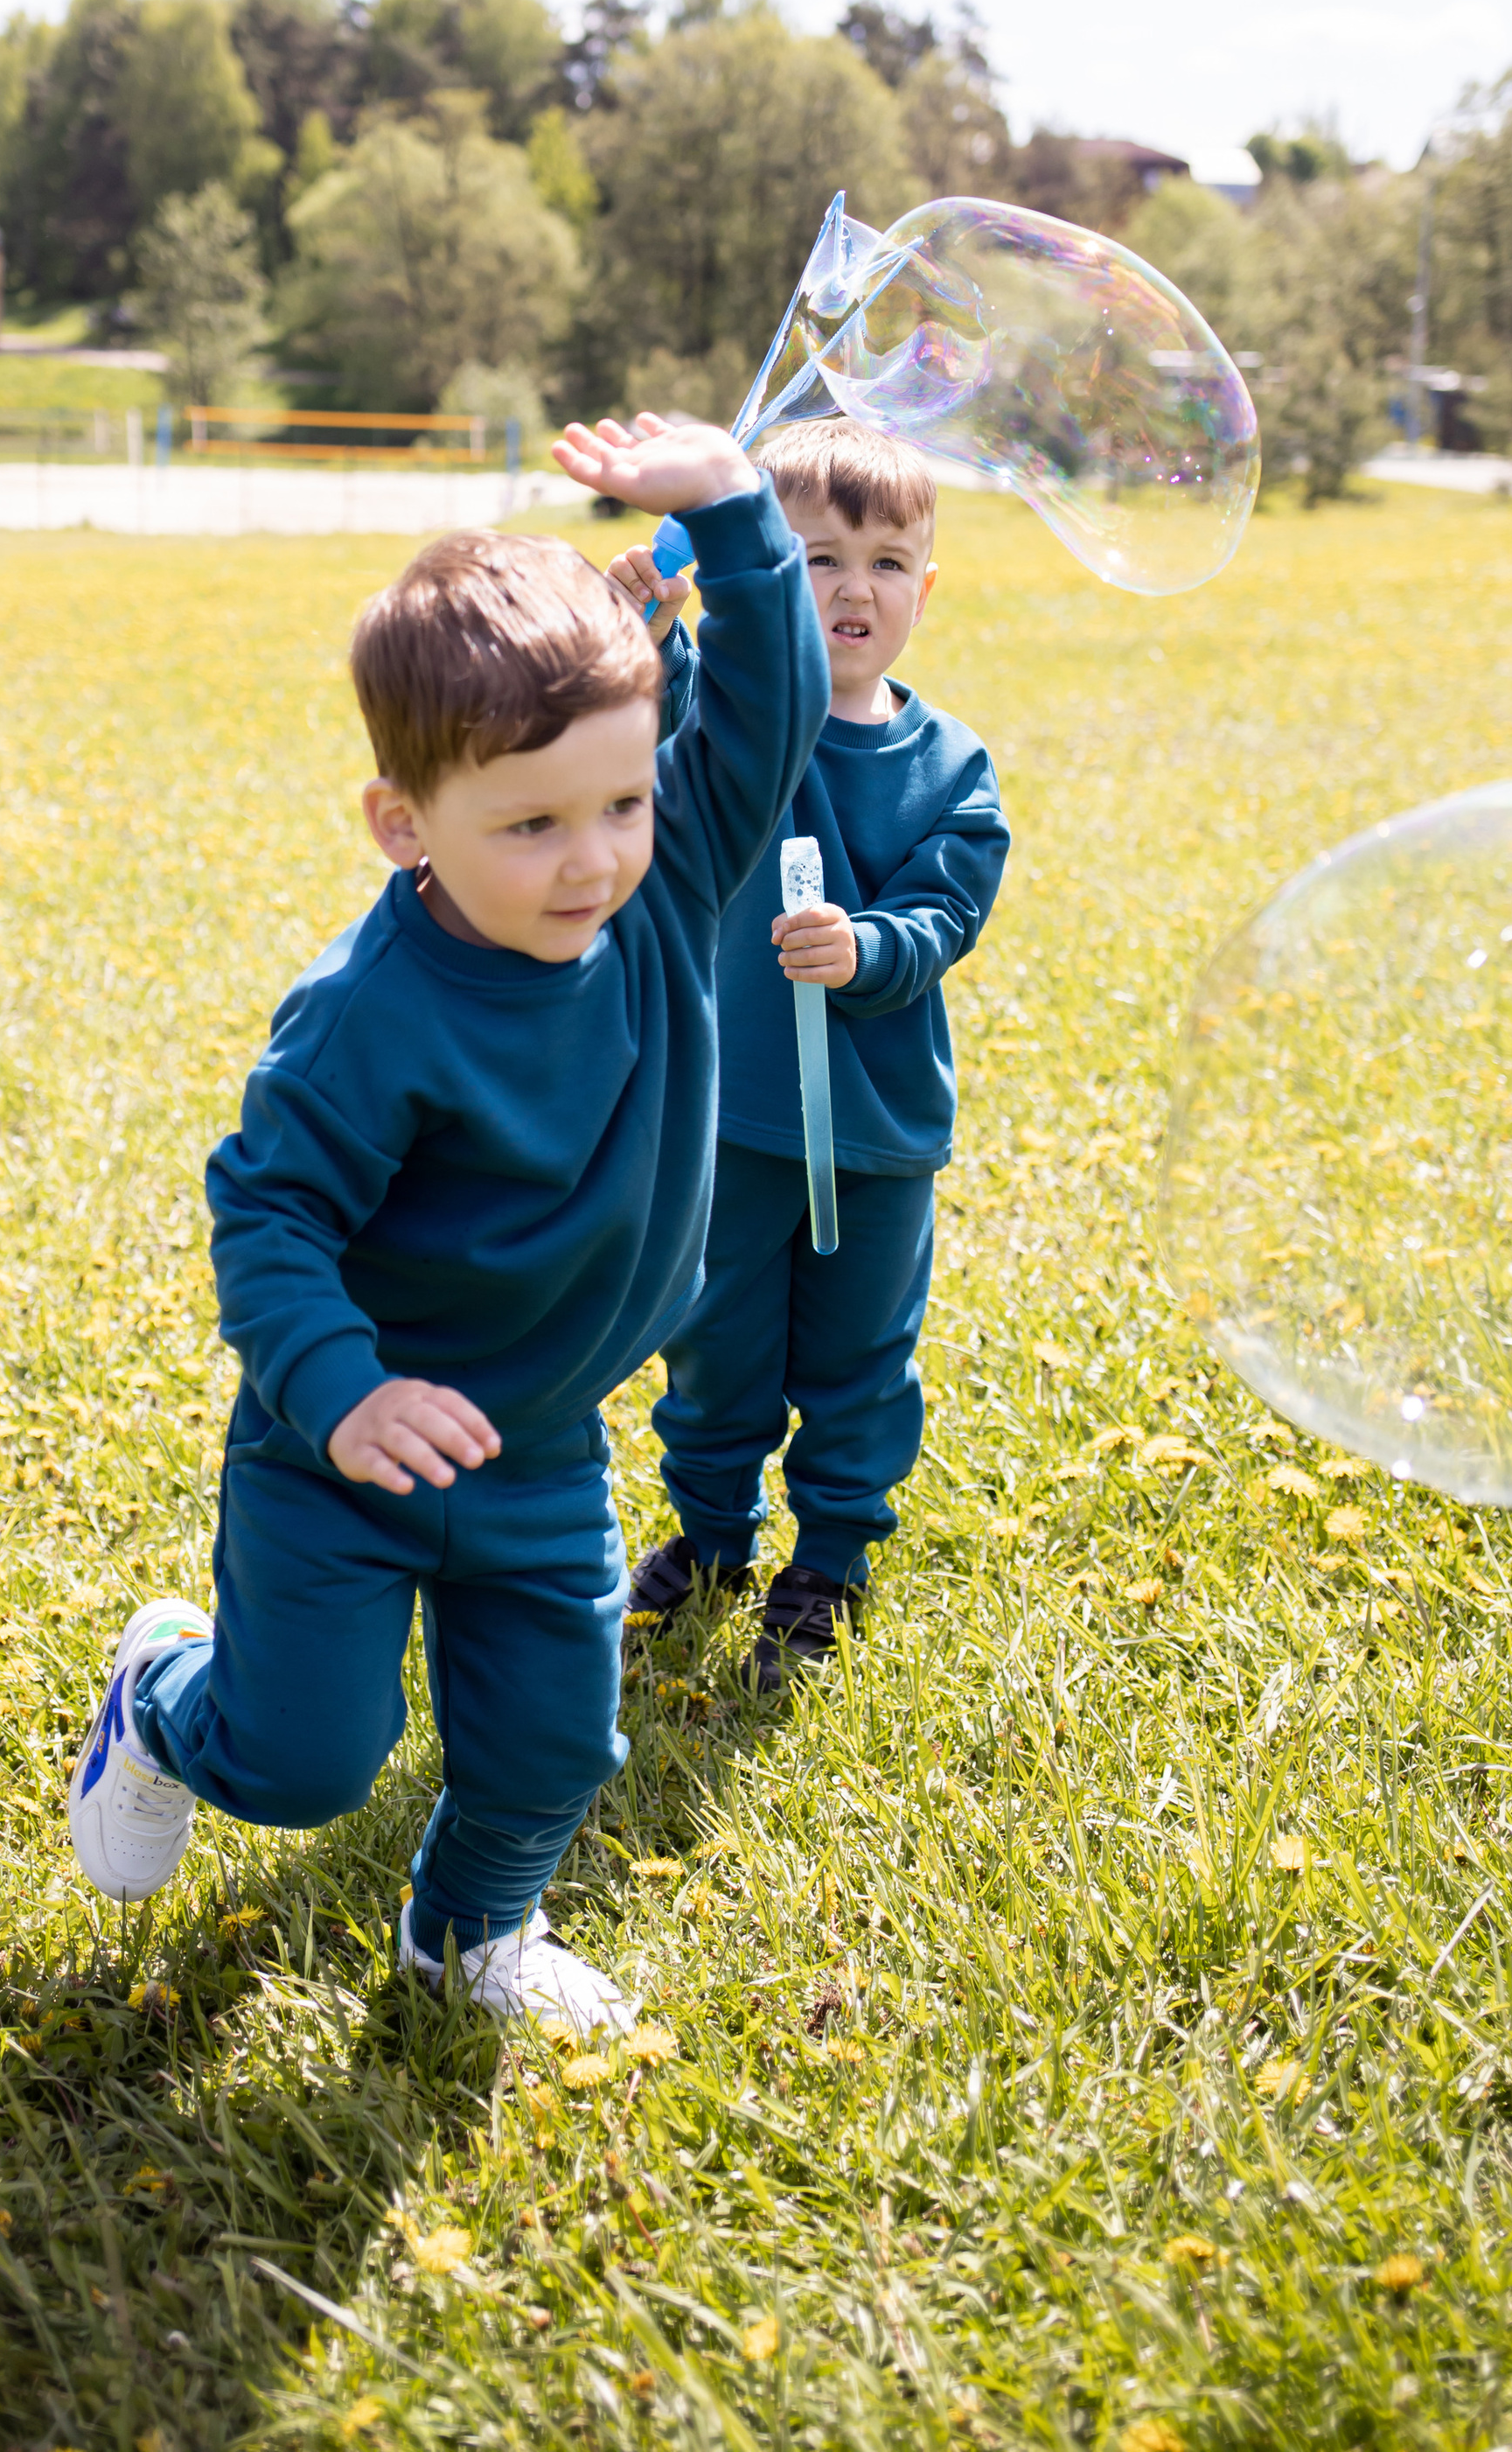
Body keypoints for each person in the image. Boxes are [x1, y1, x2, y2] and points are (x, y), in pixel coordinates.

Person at [66, 415, 827, 2031]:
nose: (592, 861)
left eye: (621, 802)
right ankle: (161, 1694)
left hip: (541, 1438)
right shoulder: (368, 1018)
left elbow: (771, 714)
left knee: (559, 1739)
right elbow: (265, 1214)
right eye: (532, 824)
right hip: (343, 1451)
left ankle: (468, 1931)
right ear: (404, 823)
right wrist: (339, 1396)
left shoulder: (665, 882)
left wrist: (738, 513)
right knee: (300, 1764)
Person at [607, 422, 1007, 1690]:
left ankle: (830, 1558)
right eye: (818, 557)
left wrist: (870, 947)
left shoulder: (950, 768)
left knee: (859, 1362)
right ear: (765, 578)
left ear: (926, 588)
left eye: (889, 561)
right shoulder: (737, 728)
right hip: (728, 1124)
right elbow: (637, 747)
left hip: (875, 1133)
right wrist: (651, 632)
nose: (854, 588)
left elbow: (948, 912)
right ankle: (714, 1539)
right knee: (716, 1346)